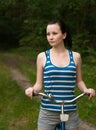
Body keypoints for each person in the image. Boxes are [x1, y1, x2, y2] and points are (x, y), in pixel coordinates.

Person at [25, 19, 95, 130]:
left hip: (70, 110)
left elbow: (79, 81)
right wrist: (32, 90)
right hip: (48, 111)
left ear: (64, 35)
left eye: (54, 33)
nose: (50, 37)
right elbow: (38, 84)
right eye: (48, 34)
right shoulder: (42, 57)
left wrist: (86, 90)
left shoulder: (76, 57)